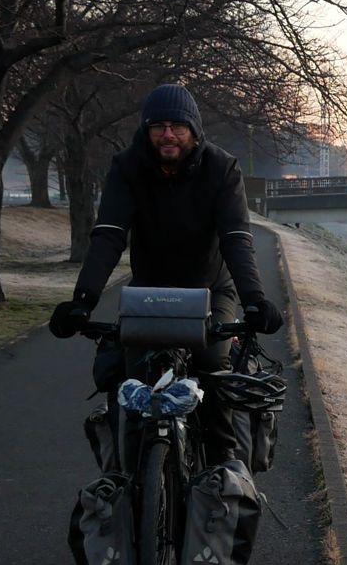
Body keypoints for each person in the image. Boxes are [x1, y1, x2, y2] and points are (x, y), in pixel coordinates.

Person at [47, 83, 283, 467]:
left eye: (177, 126)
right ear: (147, 130)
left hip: (210, 287)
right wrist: (82, 301)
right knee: (131, 381)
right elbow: (109, 235)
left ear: (194, 131)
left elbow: (236, 239)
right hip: (149, 292)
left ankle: (223, 467)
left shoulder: (221, 168)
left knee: (212, 365)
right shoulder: (127, 167)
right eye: (158, 126)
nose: (168, 134)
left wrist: (255, 301)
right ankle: (130, 478)